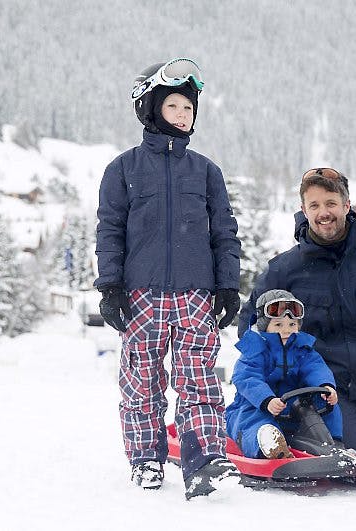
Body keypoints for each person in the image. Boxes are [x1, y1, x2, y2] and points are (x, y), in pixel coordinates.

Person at [94, 58, 242, 500]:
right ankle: (146, 460)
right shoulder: (123, 170)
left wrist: (227, 285)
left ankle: (204, 463)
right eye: (174, 105)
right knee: (142, 381)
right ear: (149, 107)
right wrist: (110, 286)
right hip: (141, 294)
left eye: (188, 108)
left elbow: (225, 232)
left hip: (196, 294)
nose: (182, 114)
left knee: (199, 380)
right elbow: (109, 229)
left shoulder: (206, 171)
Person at [237, 167, 356, 478]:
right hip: (327, 389)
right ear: (303, 210)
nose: (323, 213)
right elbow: (250, 323)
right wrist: (275, 373)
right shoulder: (285, 268)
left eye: (330, 203)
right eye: (314, 206)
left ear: (346, 205)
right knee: (350, 466)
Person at [226, 290, 341, 459]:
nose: (286, 330)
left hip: (293, 407)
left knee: (326, 402)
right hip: (258, 405)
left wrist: (326, 386)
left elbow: (315, 367)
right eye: (278, 325)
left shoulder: (303, 348)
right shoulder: (255, 349)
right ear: (265, 326)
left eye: (292, 325)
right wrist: (267, 400)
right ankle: (268, 445)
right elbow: (247, 377)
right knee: (251, 419)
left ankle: (333, 445)